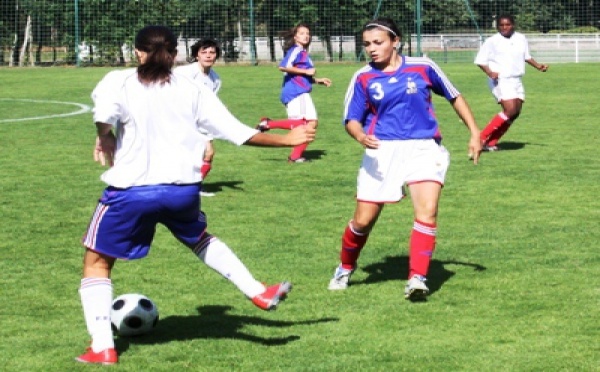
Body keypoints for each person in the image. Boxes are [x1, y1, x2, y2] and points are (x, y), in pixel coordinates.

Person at [76, 25, 315, 365]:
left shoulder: (119, 80)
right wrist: (289, 140)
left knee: (97, 262)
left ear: (137, 53)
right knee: (199, 237)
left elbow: (103, 115)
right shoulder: (193, 88)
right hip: (182, 191)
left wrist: (104, 136)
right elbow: (238, 133)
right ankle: (258, 290)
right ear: (175, 54)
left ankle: (102, 346)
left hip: (131, 191)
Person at [327, 18, 481, 301]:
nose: (371, 49)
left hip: (424, 147)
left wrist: (474, 132)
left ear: (395, 41)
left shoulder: (423, 66)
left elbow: (454, 95)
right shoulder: (363, 77)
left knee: (427, 210)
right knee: (363, 221)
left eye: (378, 42)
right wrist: (359, 136)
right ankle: (345, 267)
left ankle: (417, 278)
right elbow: (351, 119)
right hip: (382, 152)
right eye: (366, 44)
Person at [256, 22, 331, 163]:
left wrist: (317, 80)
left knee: (310, 125)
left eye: (308, 34)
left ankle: (295, 156)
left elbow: (299, 76)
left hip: (298, 90)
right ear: (295, 37)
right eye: (302, 33)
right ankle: (268, 124)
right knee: (306, 124)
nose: (306, 36)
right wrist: (306, 71)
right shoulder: (296, 50)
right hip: (296, 92)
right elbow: (283, 67)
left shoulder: (302, 52)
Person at [475, 14, 549, 151]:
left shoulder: (521, 38)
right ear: (497, 26)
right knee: (509, 110)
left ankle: (491, 142)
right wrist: (490, 73)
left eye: (507, 24)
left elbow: (526, 56)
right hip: (501, 80)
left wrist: (538, 66)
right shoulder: (492, 41)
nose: (504, 27)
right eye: (501, 25)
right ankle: (480, 139)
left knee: (515, 112)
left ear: (513, 25)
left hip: (516, 79)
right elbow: (480, 61)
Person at [175, 38, 222, 196]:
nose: (208, 55)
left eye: (212, 52)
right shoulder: (185, 73)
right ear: (196, 55)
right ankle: (187, 188)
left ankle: (192, 188)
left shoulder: (215, 78)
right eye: (204, 52)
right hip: (182, 120)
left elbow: (210, 101)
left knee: (207, 153)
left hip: (201, 122)